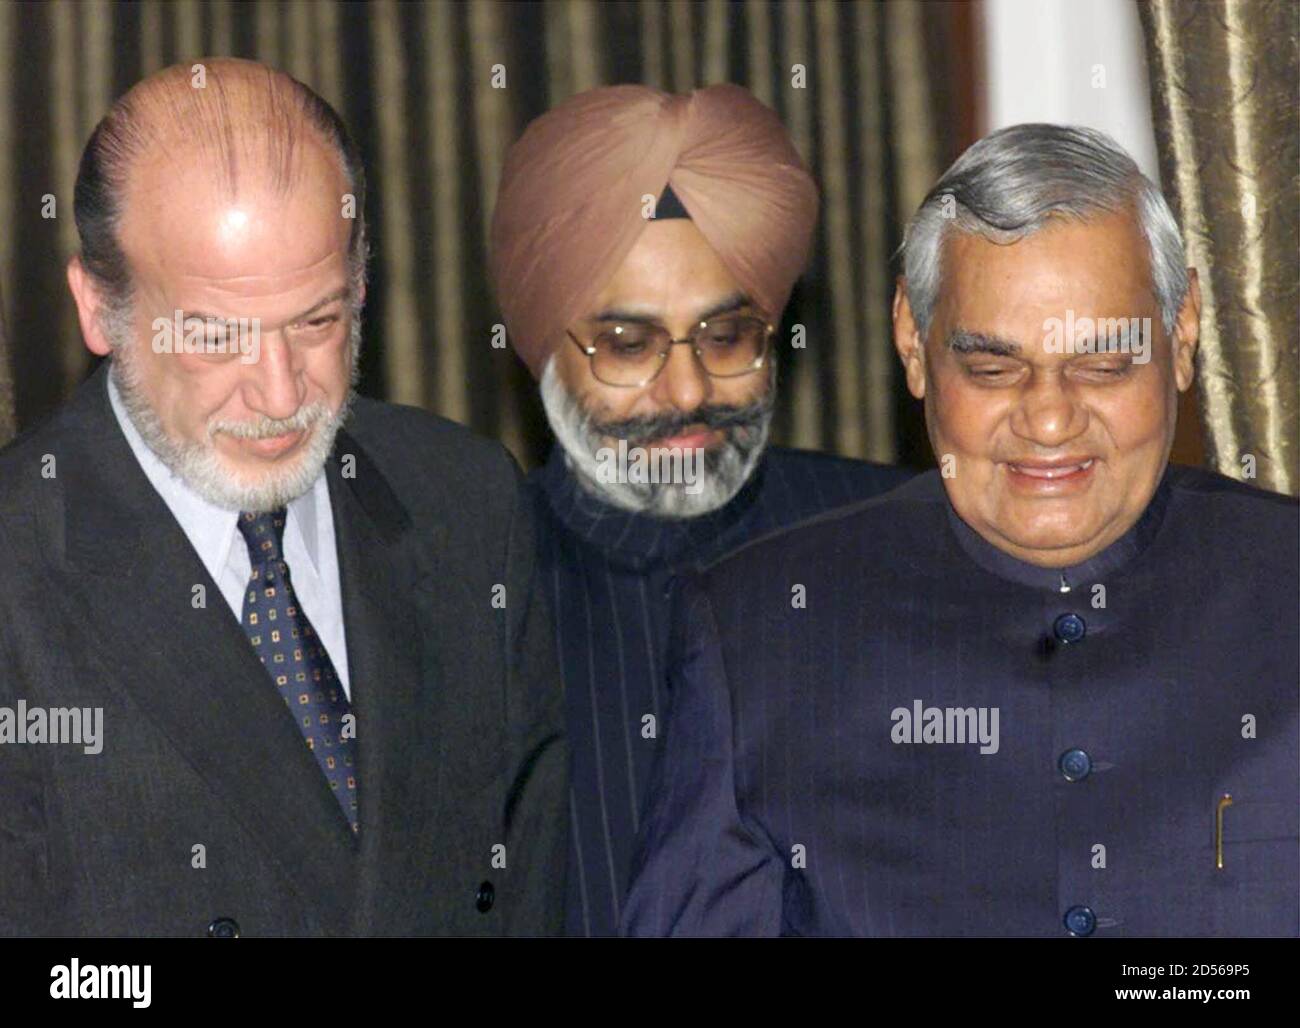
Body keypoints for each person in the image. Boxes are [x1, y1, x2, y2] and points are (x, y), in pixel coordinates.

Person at [623, 123, 1299, 938]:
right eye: (992, 368)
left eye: (1103, 363)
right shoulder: (759, 633)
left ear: (1182, 333)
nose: (1050, 419)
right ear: (913, 343)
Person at [0, 58, 566, 937]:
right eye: (216, 334)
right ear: (97, 309)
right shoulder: (19, 569)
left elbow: (535, 886)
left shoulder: (463, 500)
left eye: (317, 320)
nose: (278, 393)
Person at [489, 83, 911, 936]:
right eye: (627, 345)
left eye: (725, 339)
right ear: (542, 352)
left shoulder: (897, 544)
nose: (686, 391)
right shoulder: (469, 596)